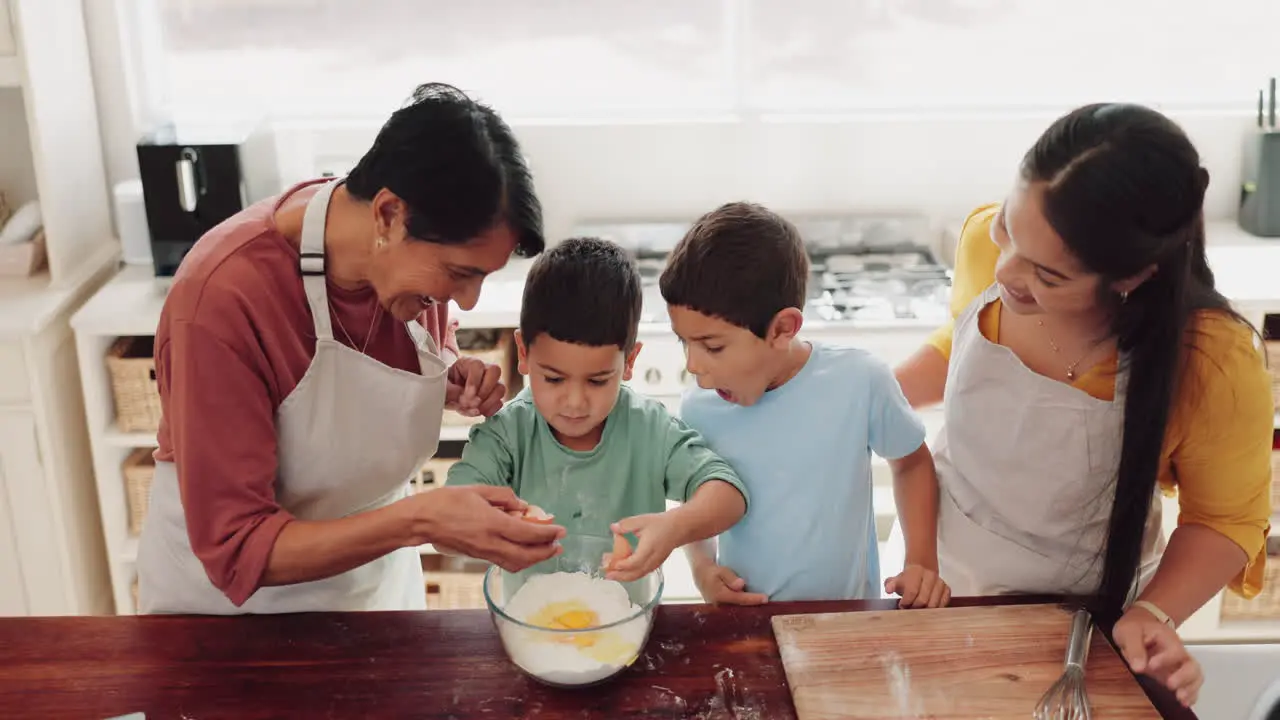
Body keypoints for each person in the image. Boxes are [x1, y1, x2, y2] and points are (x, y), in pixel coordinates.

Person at [893, 103, 1274, 707]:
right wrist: (876, 396)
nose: (1008, 271)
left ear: (1131, 277)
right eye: (1008, 233)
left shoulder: (1211, 359)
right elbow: (963, 340)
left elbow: (1225, 519)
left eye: (1048, 274)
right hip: (932, 581)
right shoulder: (981, 245)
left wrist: (1153, 613)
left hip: (1076, 629)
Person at [137, 83, 567, 615]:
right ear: (388, 215)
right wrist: (422, 519)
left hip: (372, 587)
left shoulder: (396, 266)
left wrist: (448, 371)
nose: (468, 301)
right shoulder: (222, 299)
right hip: (231, 618)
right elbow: (238, 548)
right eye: (460, 274)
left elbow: (378, 366)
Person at [661, 202, 951, 608]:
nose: (694, 367)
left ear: (782, 329)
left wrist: (921, 561)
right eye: (684, 342)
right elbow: (697, 506)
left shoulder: (859, 380)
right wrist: (702, 568)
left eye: (712, 346)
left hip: (844, 625)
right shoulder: (699, 410)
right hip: (749, 623)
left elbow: (912, 464)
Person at [445, 236, 749, 581]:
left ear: (629, 362)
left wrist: (675, 527)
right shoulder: (506, 434)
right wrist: (491, 527)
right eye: (555, 379)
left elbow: (729, 495)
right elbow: (446, 520)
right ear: (524, 354)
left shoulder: (649, 429)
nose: (575, 403)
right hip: (529, 623)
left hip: (626, 621)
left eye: (598, 381)